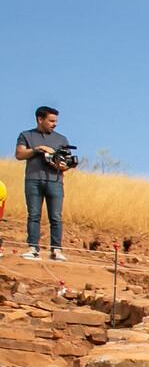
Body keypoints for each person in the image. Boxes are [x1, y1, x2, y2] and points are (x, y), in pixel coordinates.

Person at [14, 105, 73, 261]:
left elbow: (66, 163)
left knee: (56, 216)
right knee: (34, 215)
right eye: (51, 120)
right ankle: (33, 248)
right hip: (33, 180)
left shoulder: (61, 139)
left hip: (55, 181)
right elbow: (19, 154)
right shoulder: (26, 135)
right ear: (40, 119)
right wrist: (38, 150)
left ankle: (57, 250)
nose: (55, 124)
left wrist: (60, 165)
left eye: (55, 121)